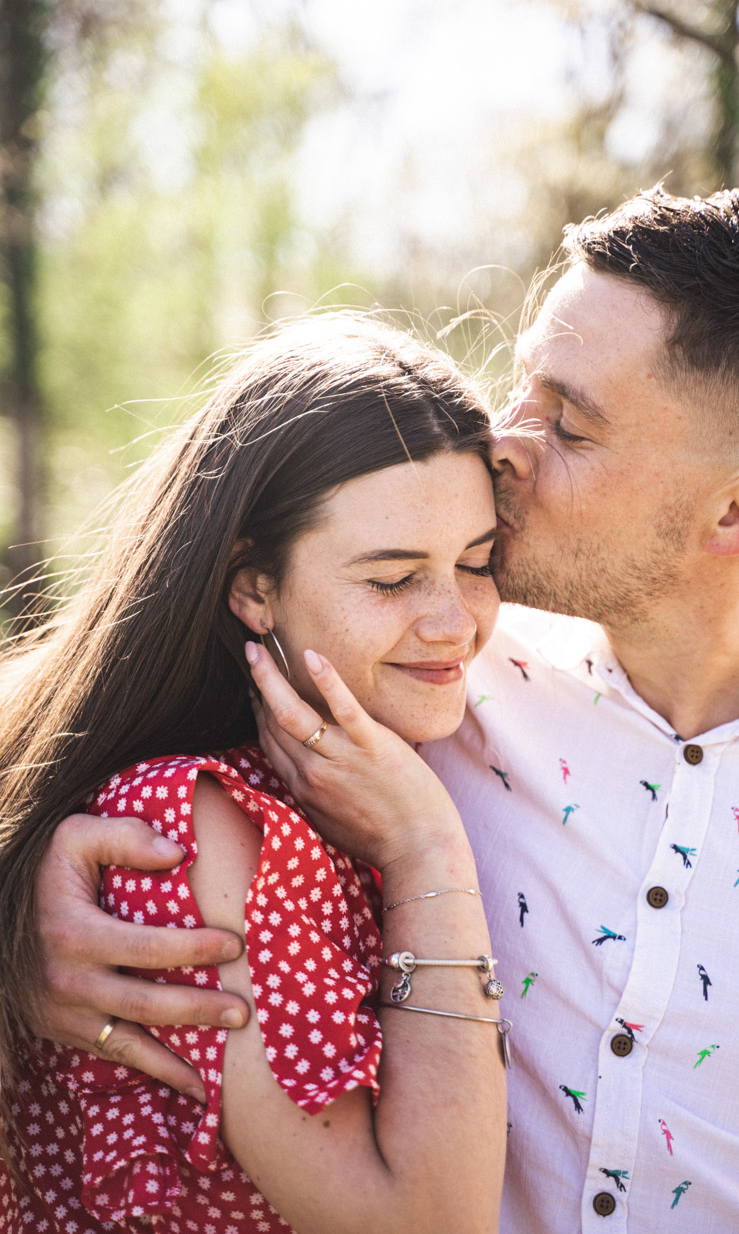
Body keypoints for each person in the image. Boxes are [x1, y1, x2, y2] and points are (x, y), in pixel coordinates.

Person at [23, 186, 739, 1232]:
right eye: (520, 386)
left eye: (569, 422)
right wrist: (22, 917)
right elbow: (87, 710)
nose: (503, 439)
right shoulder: (436, 673)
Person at [0, 314, 509, 1233]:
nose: (456, 624)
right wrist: (427, 846)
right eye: (393, 581)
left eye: (477, 564)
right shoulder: (195, 822)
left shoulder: (362, 760)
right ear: (253, 587)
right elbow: (423, 1221)